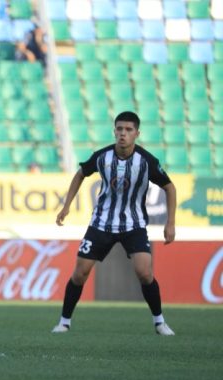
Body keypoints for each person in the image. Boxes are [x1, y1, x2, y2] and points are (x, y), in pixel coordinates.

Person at [52, 111, 176, 336]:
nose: (123, 134)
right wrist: (66, 205)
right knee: (80, 273)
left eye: (128, 130)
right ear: (114, 131)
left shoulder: (146, 161)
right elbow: (80, 174)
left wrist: (171, 223)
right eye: (119, 129)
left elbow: (169, 187)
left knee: (144, 273)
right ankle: (64, 322)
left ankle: (160, 322)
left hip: (133, 225)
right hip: (101, 223)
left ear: (137, 134)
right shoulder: (102, 156)